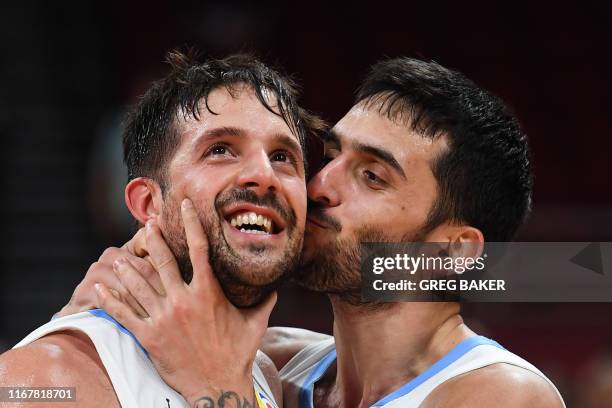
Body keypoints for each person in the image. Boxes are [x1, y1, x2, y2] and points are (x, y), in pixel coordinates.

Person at [51, 57, 566, 407]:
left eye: (371, 176)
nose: (318, 186)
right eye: (333, 155)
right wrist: (89, 311)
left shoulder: (501, 395)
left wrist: (219, 388)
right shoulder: (277, 363)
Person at [0, 51, 324, 408]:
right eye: (220, 150)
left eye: (282, 157)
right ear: (148, 204)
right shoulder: (43, 380)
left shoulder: (264, 376)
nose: (265, 175)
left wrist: (220, 386)